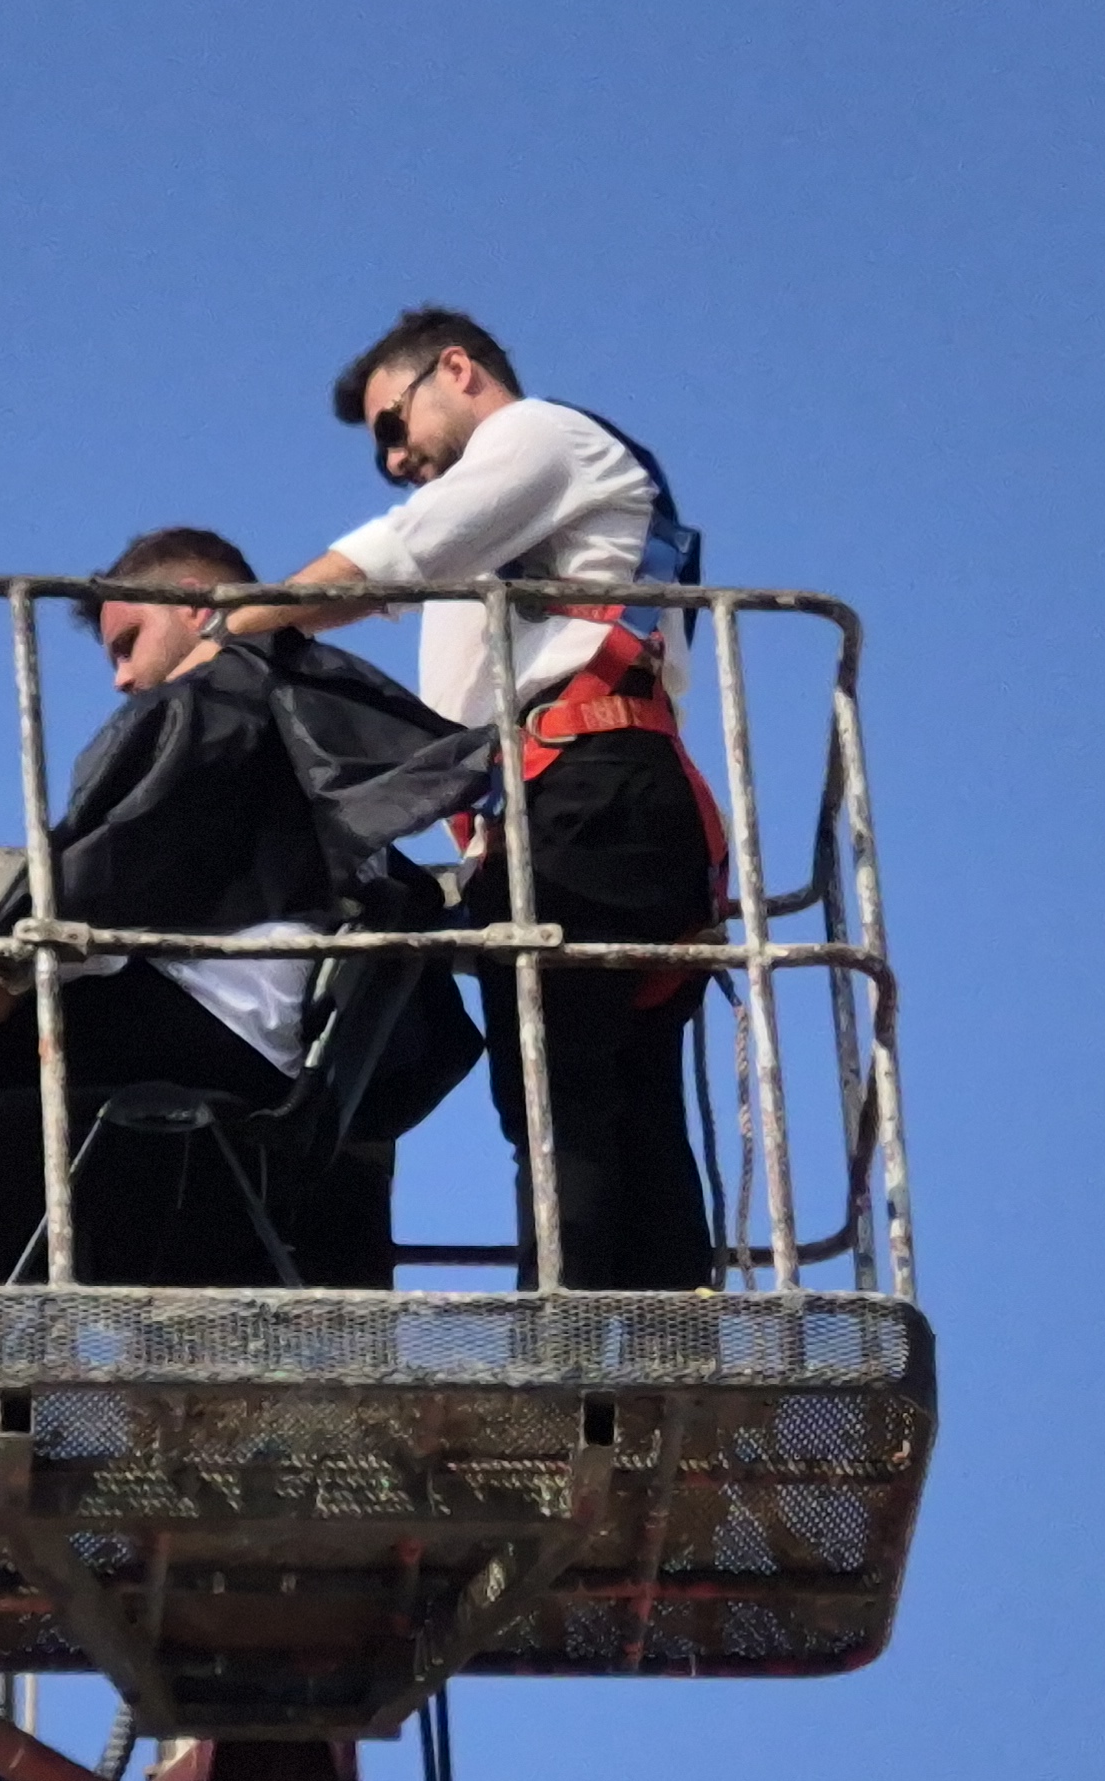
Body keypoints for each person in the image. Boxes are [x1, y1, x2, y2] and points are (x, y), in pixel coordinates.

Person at [0, 526, 483, 1288]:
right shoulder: (315, 702)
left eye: (128, 643)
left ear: (197, 606)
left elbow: (128, 854)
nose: (121, 677)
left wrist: (3, 973)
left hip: (213, 1023)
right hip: (276, 1051)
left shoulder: (223, 691)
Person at [209, 308, 722, 1289]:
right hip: (592, 796)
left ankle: (567, 1344)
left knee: (558, 1097)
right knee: (621, 1100)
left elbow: (390, 558)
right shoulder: (512, 514)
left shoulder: (537, 436)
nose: (394, 460)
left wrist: (225, 630)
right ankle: (670, 1346)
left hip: (588, 788)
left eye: (393, 426)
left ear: (457, 369)